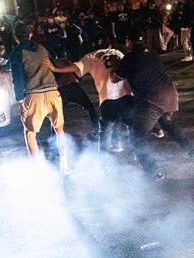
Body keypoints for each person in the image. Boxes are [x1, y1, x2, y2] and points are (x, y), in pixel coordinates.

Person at [112, 31, 194, 180]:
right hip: (170, 94)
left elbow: (114, 79)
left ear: (129, 42)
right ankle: (190, 146)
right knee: (166, 121)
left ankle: (152, 172)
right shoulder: (153, 54)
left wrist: (116, 66)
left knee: (136, 138)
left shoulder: (129, 58)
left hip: (152, 100)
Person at [45, 49, 132, 152]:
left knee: (105, 129)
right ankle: (125, 145)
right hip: (125, 95)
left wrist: (55, 69)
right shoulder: (117, 52)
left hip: (106, 99)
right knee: (123, 120)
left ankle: (105, 158)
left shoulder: (91, 57)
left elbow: (76, 68)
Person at [10, 25, 70, 174]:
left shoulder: (17, 52)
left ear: (15, 37)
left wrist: (20, 100)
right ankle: (65, 164)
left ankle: (38, 170)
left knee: (30, 133)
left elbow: (17, 79)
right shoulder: (42, 48)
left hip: (34, 94)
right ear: (30, 34)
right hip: (52, 92)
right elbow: (53, 65)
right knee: (59, 130)